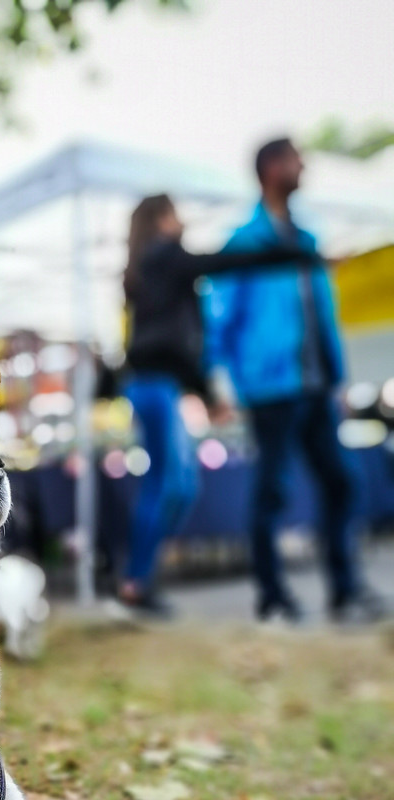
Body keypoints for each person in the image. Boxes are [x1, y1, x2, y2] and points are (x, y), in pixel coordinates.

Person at [206, 138, 383, 622]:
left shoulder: (306, 238)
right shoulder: (245, 242)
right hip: (272, 389)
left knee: (343, 482)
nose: (304, 165)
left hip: (318, 386)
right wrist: (222, 384)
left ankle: (345, 591)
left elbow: (321, 312)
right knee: (273, 492)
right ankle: (274, 599)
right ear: (271, 168)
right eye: (295, 158)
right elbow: (218, 318)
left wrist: (338, 378)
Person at [121, 194, 318, 616]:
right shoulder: (166, 257)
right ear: (161, 219)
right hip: (155, 386)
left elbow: (166, 341)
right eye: (175, 213)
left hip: (159, 386)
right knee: (169, 484)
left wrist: (205, 393)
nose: (182, 221)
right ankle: (137, 580)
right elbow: (222, 264)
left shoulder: (145, 269)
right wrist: (294, 252)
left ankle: (140, 574)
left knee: (178, 483)